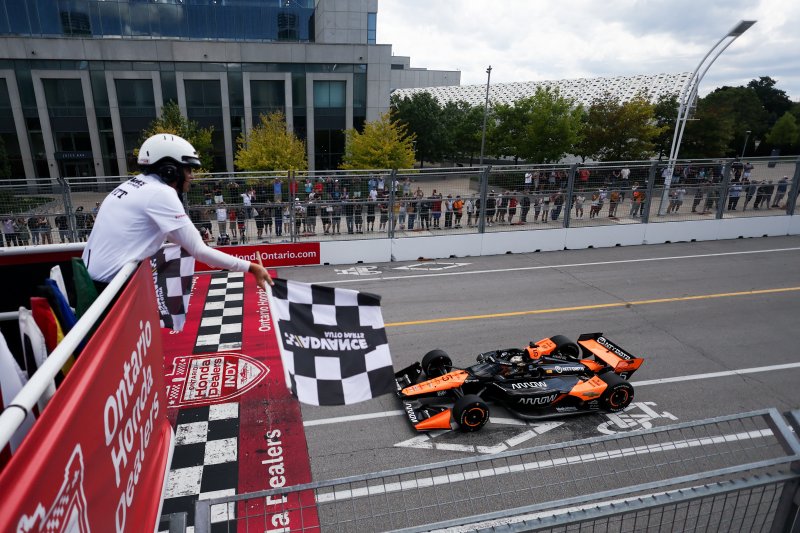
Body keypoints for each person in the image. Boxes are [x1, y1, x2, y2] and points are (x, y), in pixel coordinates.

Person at [82, 134, 272, 291]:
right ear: (170, 170)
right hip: (109, 289)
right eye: (188, 169)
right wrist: (250, 267)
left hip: (92, 282)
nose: (192, 176)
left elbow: (178, 238)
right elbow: (199, 250)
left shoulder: (133, 185)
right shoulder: (160, 192)